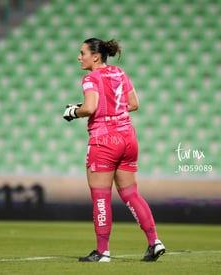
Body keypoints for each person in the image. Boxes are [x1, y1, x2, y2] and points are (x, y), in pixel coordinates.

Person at [63, 38, 165, 262]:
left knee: (101, 197)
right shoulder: (120, 73)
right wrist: (113, 111)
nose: (79, 57)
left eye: (83, 53)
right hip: (128, 138)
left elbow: (89, 108)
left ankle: (103, 252)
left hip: (104, 141)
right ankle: (154, 242)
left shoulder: (90, 78)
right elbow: (134, 104)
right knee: (130, 193)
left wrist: (73, 111)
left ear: (96, 57)